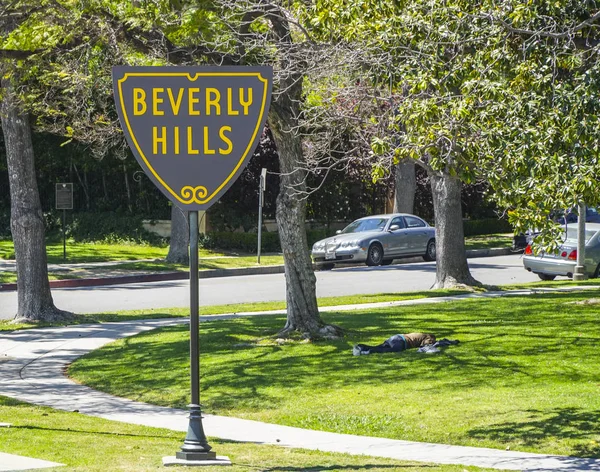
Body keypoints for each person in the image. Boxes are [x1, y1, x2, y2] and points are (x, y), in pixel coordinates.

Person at [353, 332, 457, 355]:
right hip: (402, 341)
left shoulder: (421, 334)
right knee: (394, 350)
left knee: (381, 346)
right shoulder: (428, 337)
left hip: (396, 337)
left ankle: (361, 347)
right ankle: (369, 351)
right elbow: (425, 344)